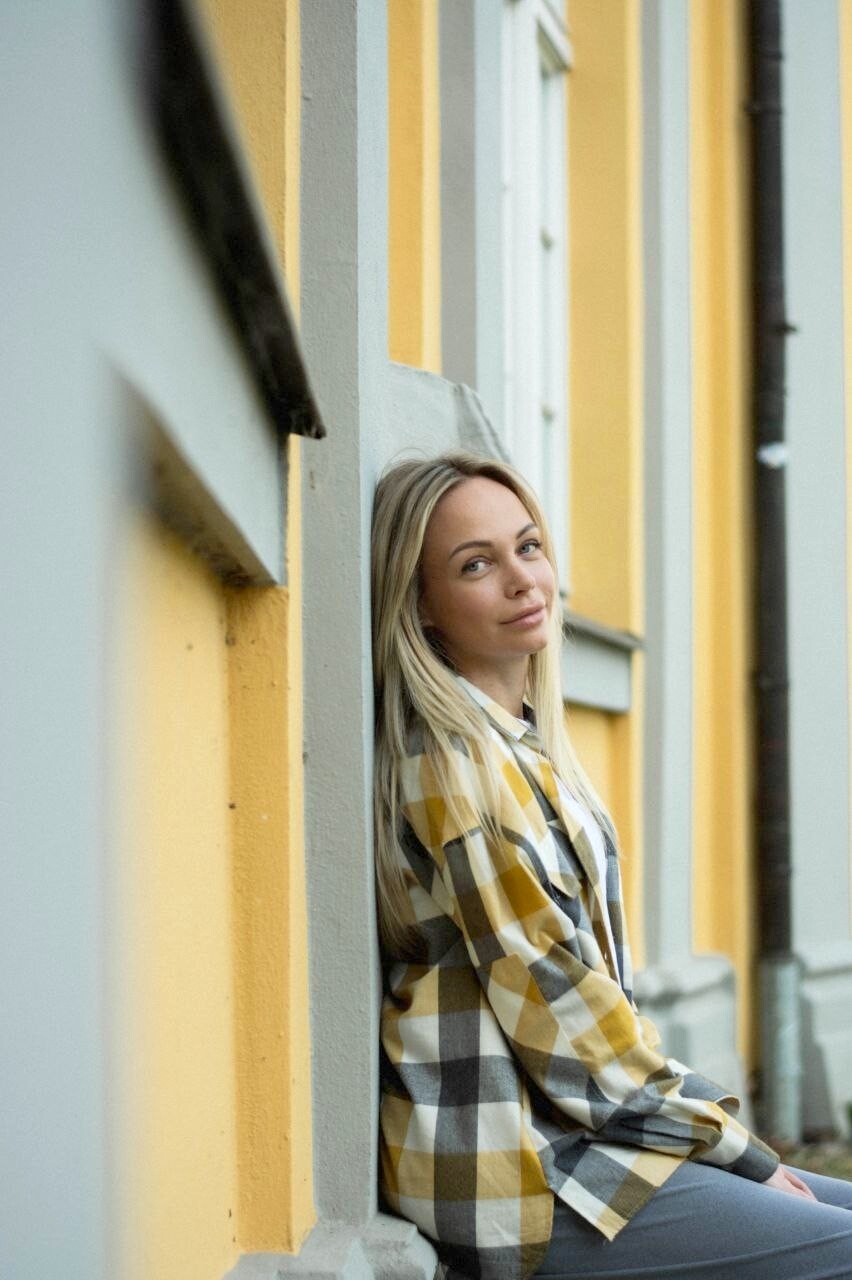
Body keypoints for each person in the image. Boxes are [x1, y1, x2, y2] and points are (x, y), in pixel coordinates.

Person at [371, 451, 852, 1280]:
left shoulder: (522, 748)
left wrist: (723, 1141)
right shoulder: (451, 771)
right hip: (519, 1174)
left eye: (528, 547)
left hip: (590, 1138)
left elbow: (598, 1019)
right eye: (476, 565)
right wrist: (739, 1151)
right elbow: (562, 1018)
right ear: (421, 606)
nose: (522, 580)